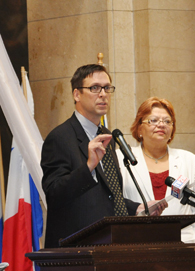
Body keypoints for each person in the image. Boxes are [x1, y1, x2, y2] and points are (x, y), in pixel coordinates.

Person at [41, 64, 167, 248]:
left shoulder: (108, 136)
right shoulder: (60, 138)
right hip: (75, 252)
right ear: (77, 94)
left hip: (109, 248)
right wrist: (88, 167)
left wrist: (138, 208)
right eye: (94, 88)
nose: (103, 94)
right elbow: (54, 195)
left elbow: (108, 196)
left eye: (107, 88)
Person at [116, 97, 195, 243]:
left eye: (167, 121)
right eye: (153, 120)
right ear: (139, 128)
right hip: (136, 244)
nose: (161, 125)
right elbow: (114, 204)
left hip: (183, 245)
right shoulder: (121, 158)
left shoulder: (190, 161)